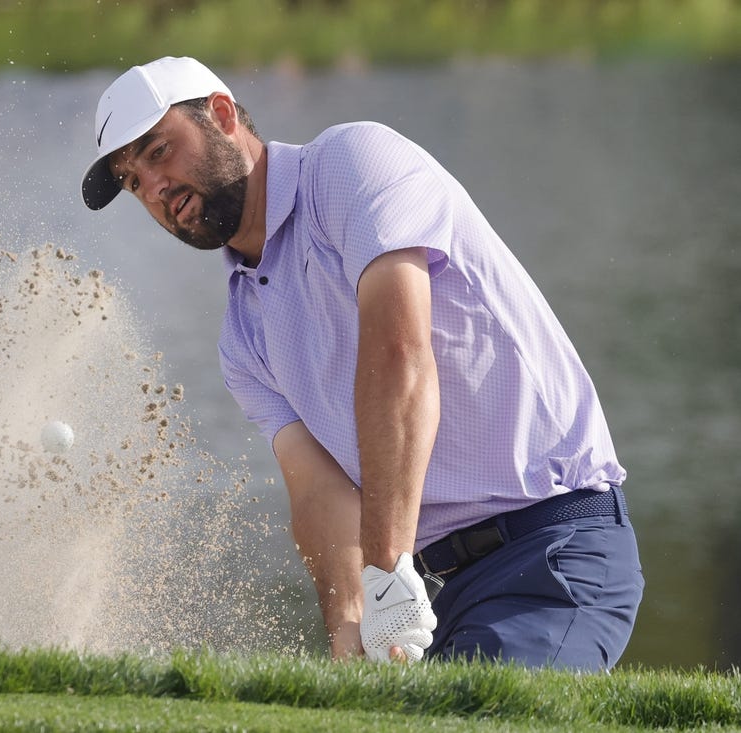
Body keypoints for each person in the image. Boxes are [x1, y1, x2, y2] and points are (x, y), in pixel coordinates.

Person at [80, 56, 643, 669]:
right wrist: (352, 627)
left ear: (220, 114)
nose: (155, 189)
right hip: (450, 590)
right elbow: (320, 493)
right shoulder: (242, 337)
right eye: (134, 182)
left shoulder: (351, 165)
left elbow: (398, 355)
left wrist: (385, 571)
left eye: (159, 151)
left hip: (554, 549)